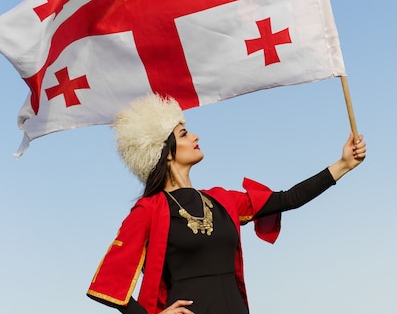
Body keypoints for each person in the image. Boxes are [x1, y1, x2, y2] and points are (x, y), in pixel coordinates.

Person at [87, 94, 366, 314]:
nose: (195, 136)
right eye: (184, 134)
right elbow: (109, 283)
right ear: (166, 153)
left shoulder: (222, 199)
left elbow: (287, 199)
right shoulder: (149, 210)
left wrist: (343, 165)